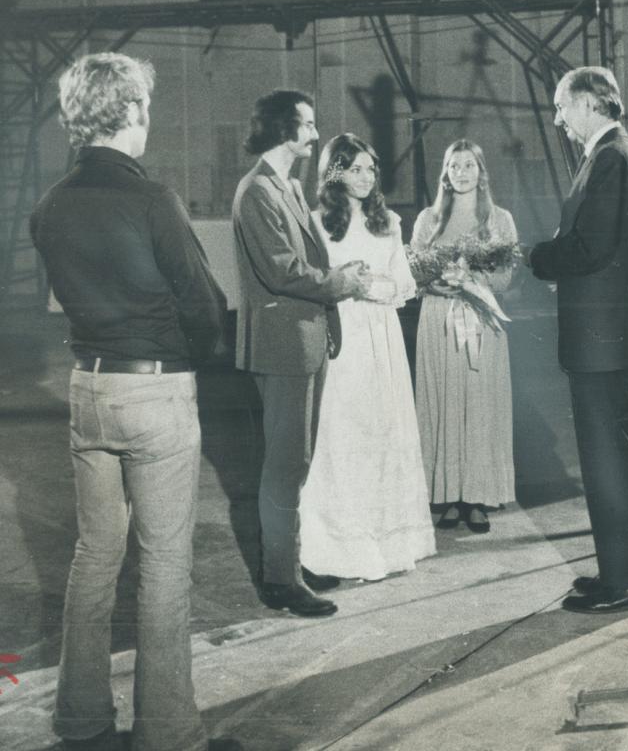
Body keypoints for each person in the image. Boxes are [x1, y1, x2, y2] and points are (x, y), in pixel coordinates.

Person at [30, 53, 237, 751]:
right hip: (155, 388)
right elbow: (204, 304)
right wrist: (195, 351)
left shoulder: (50, 205)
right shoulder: (153, 200)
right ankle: (169, 733)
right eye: (145, 107)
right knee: (164, 564)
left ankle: (82, 720)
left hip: (87, 385)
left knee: (94, 556)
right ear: (131, 113)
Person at [231, 89, 374, 618]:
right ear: (284, 131)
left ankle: (289, 562)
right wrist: (343, 284)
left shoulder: (286, 187)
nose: (315, 135)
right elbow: (282, 271)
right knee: (285, 464)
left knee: (298, 460)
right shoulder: (257, 192)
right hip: (283, 347)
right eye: (308, 126)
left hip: (305, 342)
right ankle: (280, 582)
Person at [527, 67, 628, 614]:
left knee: (608, 460)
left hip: (602, 336)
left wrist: (537, 257)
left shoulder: (611, 160)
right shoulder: (623, 157)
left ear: (587, 104)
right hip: (608, 331)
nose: (558, 118)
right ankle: (623, 572)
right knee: (615, 457)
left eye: (562, 107)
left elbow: (590, 247)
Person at [299, 134, 436, 580]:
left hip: (383, 337)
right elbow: (319, 280)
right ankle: (341, 547)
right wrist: (356, 286)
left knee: (386, 432)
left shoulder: (389, 222)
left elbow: (403, 282)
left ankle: (390, 542)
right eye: (354, 169)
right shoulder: (319, 223)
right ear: (334, 173)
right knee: (344, 435)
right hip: (345, 337)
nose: (364, 177)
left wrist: (380, 286)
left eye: (370, 169)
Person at [411, 139, 518, 532]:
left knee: (478, 403)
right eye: (453, 166)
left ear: (481, 172)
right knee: (442, 401)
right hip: (438, 322)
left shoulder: (499, 219)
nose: (460, 172)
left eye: (468, 165)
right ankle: (447, 495)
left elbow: (506, 276)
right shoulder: (428, 219)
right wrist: (438, 284)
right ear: (445, 173)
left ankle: (477, 497)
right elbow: (415, 270)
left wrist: (469, 281)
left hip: (480, 319)